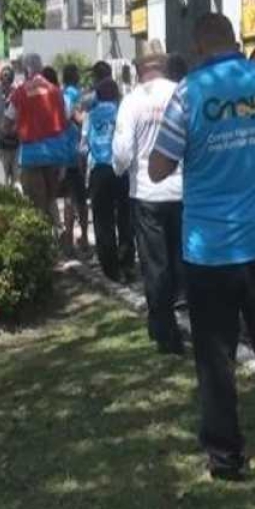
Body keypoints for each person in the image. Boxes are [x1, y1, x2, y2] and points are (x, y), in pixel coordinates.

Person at [150, 12, 255, 482]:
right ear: (236, 41)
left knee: (215, 360)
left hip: (208, 251)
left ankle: (225, 458)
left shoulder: (188, 93)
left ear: (199, 48)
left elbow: (157, 168)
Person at [114, 50, 185, 354]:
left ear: (140, 70)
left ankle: (163, 328)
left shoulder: (131, 101)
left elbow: (122, 152)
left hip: (146, 192)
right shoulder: (181, 94)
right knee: (181, 260)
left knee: (155, 264)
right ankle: (181, 315)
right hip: (181, 190)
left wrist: (120, 171)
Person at [6, 54, 69, 231]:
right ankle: (58, 238)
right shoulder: (56, 91)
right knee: (51, 200)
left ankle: (43, 244)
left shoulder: (20, 92)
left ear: (27, 70)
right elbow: (64, 122)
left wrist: (15, 129)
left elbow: (7, 122)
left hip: (32, 157)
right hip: (55, 155)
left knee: (36, 205)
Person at [83, 79, 134, 282]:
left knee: (103, 221)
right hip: (121, 170)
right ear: (116, 94)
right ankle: (127, 261)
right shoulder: (122, 112)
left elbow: (83, 144)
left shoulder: (91, 115)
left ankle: (111, 268)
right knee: (125, 217)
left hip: (99, 170)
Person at [60, 64, 90, 255]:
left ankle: (69, 240)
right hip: (80, 152)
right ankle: (84, 238)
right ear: (77, 77)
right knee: (81, 199)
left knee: (69, 199)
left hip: (66, 153)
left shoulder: (64, 95)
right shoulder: (80, 96)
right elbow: (80, 118)